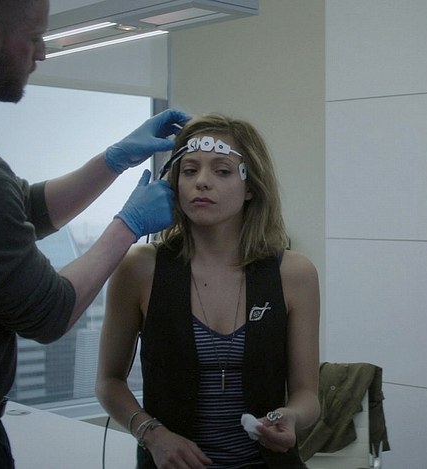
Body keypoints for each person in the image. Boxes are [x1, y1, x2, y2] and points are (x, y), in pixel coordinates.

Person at [0, 0, 190, 466]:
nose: (43, 53)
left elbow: (21, 210)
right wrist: (127, 226)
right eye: (35, 38)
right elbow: (47, 312)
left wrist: (113, 160)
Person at [96, 113, 320, 469]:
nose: (201, 182)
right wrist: (152, 434)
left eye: (222, 171)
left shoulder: (293, 274)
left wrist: (289, 416)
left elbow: (307, 394)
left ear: (250, 187)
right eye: (189, 170)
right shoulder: (140, 268)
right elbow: (108, 382)